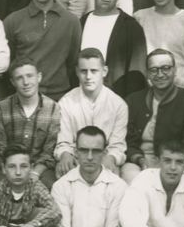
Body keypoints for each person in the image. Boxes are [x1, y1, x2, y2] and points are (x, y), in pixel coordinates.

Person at [120, 49, 184, 186]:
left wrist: (173, 162)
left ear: (175, 71)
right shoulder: (133, 101)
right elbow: (127, 140)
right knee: (130, 174)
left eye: (165, 68)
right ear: (147, 74)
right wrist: (139, 159)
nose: (160, 74)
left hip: (178, 160)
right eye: (154, 70)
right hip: (142, 159)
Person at [3, 0, 82, 101]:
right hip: (24, 97)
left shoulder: (71, 21)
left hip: (60, 97)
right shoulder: (13, 21)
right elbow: (9, 62)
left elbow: (73, 62)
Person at [54, 49, 129, 177]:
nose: (88, 77)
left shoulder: (118, 105)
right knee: (64, 173)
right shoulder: (66, 102)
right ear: (77, 72)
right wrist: (65, 154)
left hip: (104, 160)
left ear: (104, 71)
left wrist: (111, 158)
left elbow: (117, 145)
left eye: (94, 71)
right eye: (84, 71)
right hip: (76, 160)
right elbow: (63, 141)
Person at [80, 0, 148, 98]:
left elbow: (137, 74)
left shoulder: (131, 26)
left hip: (116, 102)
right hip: (82, 100)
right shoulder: (82, 22)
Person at [0, 58, 60, 187]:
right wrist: (11, 170)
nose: (26, 82)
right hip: (9, 167)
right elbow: (0, 147)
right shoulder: (2, 108)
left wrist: (35, 173)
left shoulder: (53, 108)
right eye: (19, 78)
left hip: (39, 168)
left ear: (39, 77)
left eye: (30, 76)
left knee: (52, 187)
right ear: (13, 82)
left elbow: (49, 150)